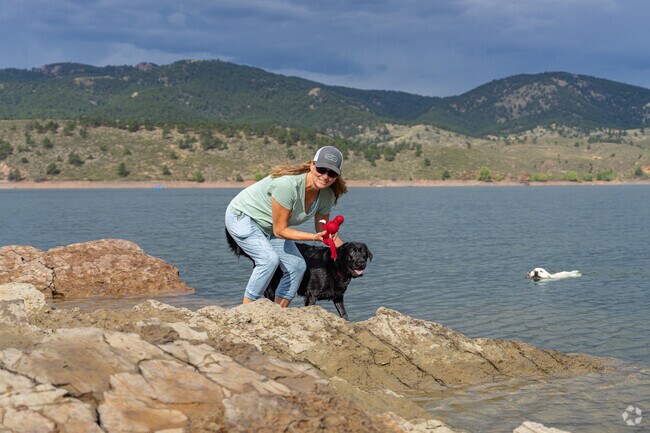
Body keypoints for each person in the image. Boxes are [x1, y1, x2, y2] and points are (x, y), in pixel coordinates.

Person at [225, 146, 348, 307]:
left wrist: (347, 254)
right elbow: (280, 231)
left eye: (331, 173)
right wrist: (313, 237)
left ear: (337, 176)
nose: (325, 176)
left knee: (297, 266)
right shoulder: (287, 185)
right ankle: (247, 310)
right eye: (321, 169)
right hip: (243, 217)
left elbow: (323, 230)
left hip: (270, 226)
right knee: (269, 260)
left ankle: (278, 313)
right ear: (312, 165)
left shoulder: (327, 195)